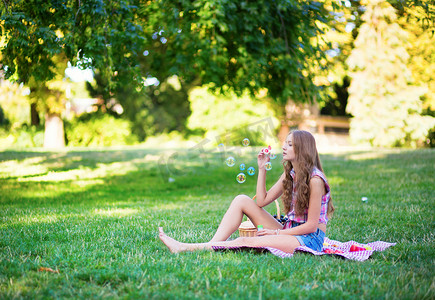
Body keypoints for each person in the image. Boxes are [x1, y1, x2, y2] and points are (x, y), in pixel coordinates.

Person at [159, 130, 334, 254]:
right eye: (285, 143)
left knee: (245, 241)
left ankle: (183, 247)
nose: (284, 147)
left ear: (302, 149)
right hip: (289, 230)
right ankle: (212, 245)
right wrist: (262, 168)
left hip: (309, 239)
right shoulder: (290, 174)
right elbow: (261, 201)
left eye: (290, 144)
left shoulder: (315, 180)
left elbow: (311, 226)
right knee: (241, 199)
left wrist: (276, 233)